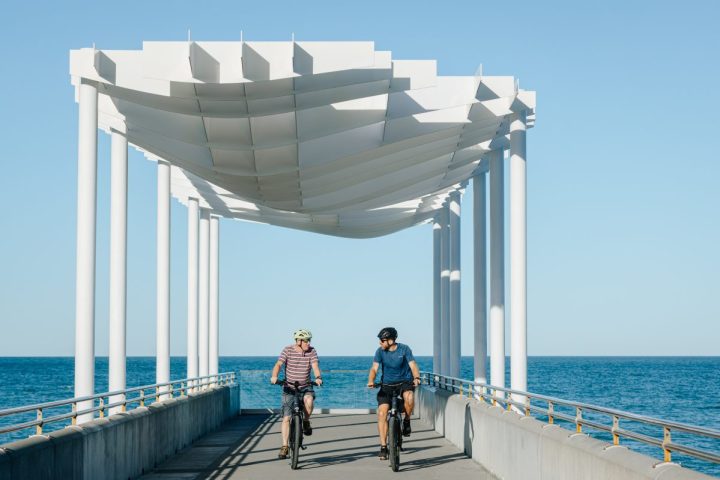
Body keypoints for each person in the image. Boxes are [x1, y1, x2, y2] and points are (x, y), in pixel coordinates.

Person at [367, 327, 421, 460]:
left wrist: (417, 378)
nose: (380, 343)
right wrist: (371, 380)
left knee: (409, 397)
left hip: (404, 383)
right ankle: (383, 447)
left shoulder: (404, 349)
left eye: (382, 340)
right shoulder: (380, 352)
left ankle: (407, 421)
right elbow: (374, 368)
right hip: (386, 386)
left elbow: (413, 365)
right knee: (382, 412)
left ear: (391, 340)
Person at [270, 328, 322, 459]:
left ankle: (305, 421)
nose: (308, 343)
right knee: (286, 418)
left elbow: (315, 366)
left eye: (309, 341)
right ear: (298, 341)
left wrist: (318, 377)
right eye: (306, 341)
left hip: (305, 386)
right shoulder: (287, 350)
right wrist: (274, 376)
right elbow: (278, 364)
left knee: (309, 402)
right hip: (289, 387)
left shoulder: (312, 351)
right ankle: (284, 446)